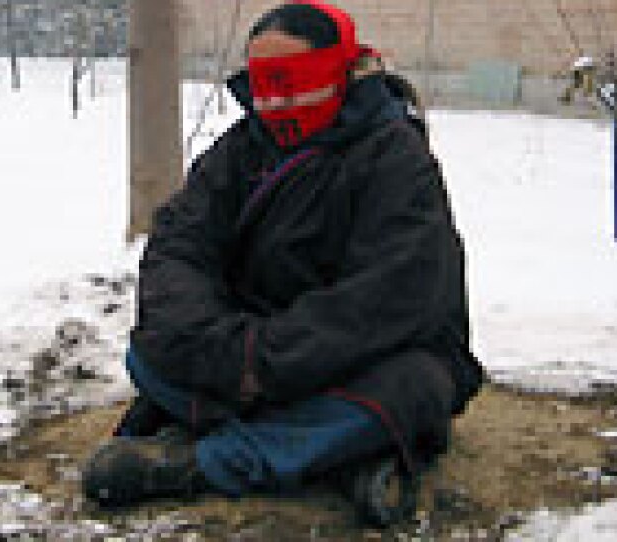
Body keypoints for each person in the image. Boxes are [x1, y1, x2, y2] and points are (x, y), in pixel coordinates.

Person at [83, 0, 484, 526]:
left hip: (350, 360)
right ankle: (323, 456)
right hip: (244, 351)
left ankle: (205, 459)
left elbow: (388, 296)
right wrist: (224, 346)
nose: (275, 102)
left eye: (292, 80)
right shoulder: (241, 151)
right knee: (148, 352)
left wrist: (263, 361)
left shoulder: (396, 160)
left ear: (342, 71)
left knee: (413, 387)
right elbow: (179, 248)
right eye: (263, 84)